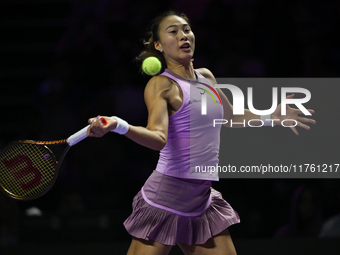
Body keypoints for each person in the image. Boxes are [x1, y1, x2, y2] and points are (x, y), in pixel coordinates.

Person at [87, 10, 315, 255]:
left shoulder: (206, 77)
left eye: (186, 29)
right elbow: (158, 139)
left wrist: (272, 116)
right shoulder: (161, 84)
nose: (183, 35)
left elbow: (230, 118)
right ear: (158, 45)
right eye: (173, 32)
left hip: (201, 201)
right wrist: (119, 125)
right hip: (165, 199)